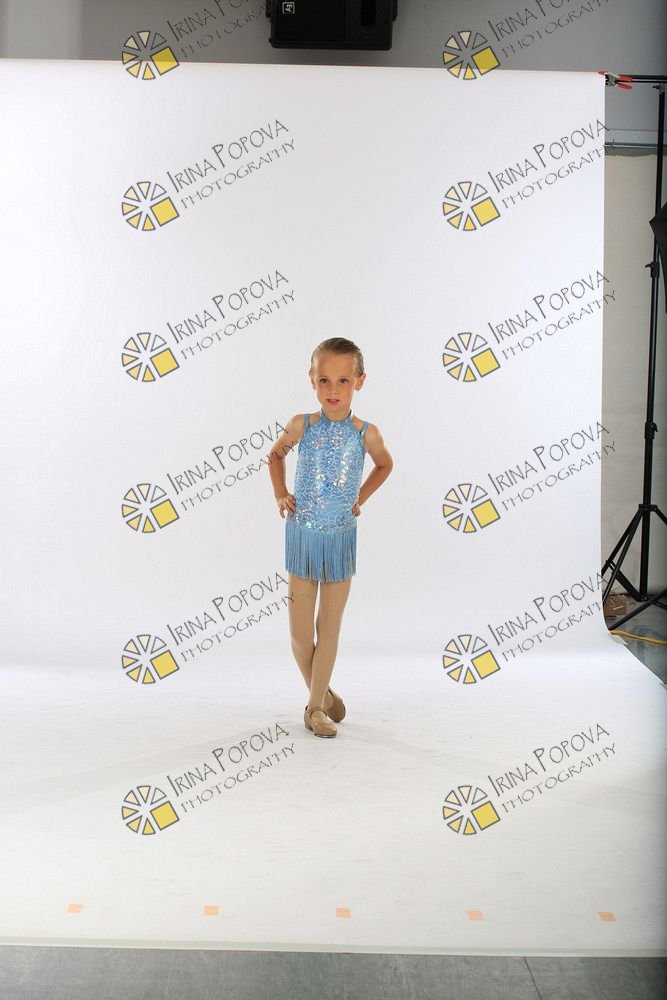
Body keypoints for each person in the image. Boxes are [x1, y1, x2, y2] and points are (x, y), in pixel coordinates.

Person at [267, 337, 393, 739]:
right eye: (324, 380)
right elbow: (276, 454)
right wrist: (280, 493)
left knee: (329, 626)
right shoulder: (301, 425)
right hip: (303, 537)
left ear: (360, 382)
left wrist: (360, 498)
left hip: (339, 540)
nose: (333, 389)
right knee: (301, 634)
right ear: (312, 380)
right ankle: (324, 693)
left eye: (343, 380)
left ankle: (315, 708)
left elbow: (384, 465)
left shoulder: (366, 433)